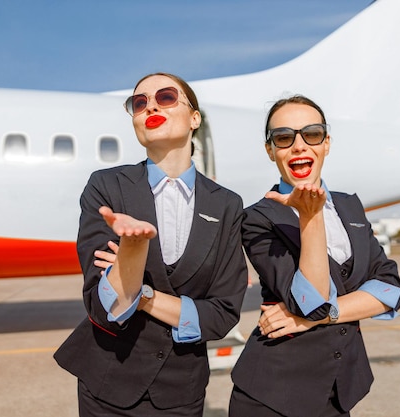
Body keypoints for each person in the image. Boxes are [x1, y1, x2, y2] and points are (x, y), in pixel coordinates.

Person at [54, 72, 248, 417]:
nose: (150, 106)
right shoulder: (106, 188)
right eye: (139, 103)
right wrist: (133, 249)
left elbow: (221, 314)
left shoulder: (227, 205)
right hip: (106, 384)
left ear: (194, 118)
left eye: (167, 97)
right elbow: (102, 307)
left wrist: (142, 295)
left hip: (180, 391)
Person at [229, 95, 400, 417]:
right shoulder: (257, 218)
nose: (299, 145)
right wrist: (310, 217)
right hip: (274, 393)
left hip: (339, 392)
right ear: (271, 151)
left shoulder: (350, 205)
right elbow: (310, 302)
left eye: (311, 134)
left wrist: (323, 317)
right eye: (284, 137)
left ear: (326, 143)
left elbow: (390, 289)